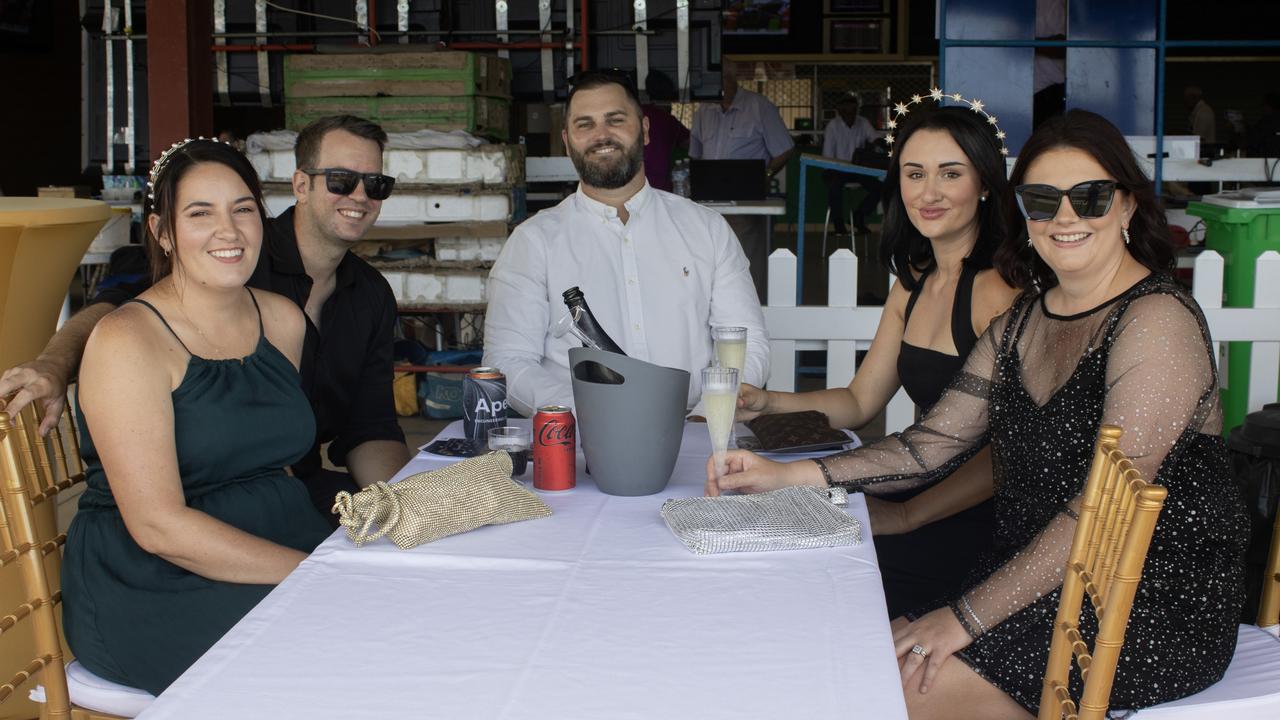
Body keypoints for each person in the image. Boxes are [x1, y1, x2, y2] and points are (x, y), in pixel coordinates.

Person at [710, 109, 1247, 717]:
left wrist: (963, 619)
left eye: (1090, 197)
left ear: (1126, 206)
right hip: (1034, 575)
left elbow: (1101, 514)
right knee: (859, 660)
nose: (1065, 217)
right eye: (1043, 200)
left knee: (900, 689)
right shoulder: (1025, 321)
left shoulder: (1156, 322)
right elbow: (928, 445)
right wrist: (782, 476)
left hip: (1143, 598)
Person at [0, 115, 412, 521]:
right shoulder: (228, 255)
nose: (360, 196)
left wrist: (402, 509)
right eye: (341, 180)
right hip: (203, 496)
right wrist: (55, 363)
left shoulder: (371, 295)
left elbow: (370, 426)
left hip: (288, 488)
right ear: (300, 185)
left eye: (376, 184)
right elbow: (124, 309)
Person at [61, 139, 333, 694]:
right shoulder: (128, 340)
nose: (228, 231)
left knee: (406, 616)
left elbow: (271, 460)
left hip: (275, 539)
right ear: (162, 232)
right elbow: (158, 525)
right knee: (324, 657)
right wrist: (314, 573)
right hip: (152, 580)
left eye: (243, 209)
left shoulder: (283, 320)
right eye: (200, 213)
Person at [738, 104, 1020, 618]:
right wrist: (766, 401)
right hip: (916, 486)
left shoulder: (999, 291)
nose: (928, 193)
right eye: (915, 174)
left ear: (984, 184)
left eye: (950, 174)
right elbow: (858, 400)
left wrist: (908, 514)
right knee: (767, 540)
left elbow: (1011, 453)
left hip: (982, 518)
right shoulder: (914, 280)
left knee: (817, 576)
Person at [483, 70, 769, 417]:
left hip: (700, 433)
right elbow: (510, 361)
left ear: (645, 129)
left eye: (615, 120)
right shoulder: (533, 242)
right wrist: (594, 416)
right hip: (579, 444)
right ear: (567, 139)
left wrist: (705, 417)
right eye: (584, 124)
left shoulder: (706, 229)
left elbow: (745, 344)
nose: (601, 135)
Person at [689, 62, 795, 298]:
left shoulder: (759, 107)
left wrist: (764, 175)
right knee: (707, 255)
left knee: (746, 257)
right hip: (708, 199)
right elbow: (695, 153)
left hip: (745, 199)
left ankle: (751, 303)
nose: (716, 89)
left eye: (720, 82)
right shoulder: (704, 109)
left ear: (732, 80)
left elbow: (784, 149)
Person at [822, 91, 882, 236]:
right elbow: (828, 155)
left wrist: (886, 143)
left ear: (856, 110)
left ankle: (858, 217)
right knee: (834, 186)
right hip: (837, 169)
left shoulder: (863, 122)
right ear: (840, 111)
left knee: (881, 187)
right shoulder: (833, 126)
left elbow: (875, 138)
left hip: (858, 170)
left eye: (853, 111)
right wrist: (833, 170)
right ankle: (838, 224)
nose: (850, 114)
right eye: (846, 111)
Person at [641, 69, 690, 193]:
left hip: (634, 188)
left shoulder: (636, 113)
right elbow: (690, 144)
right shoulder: (667, 120)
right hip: (660, 189)